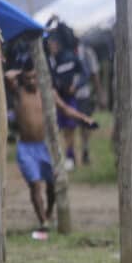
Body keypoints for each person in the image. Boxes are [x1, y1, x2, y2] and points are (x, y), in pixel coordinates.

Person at [5, 60, 96, 239]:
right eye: (28, 78)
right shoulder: (19, 92)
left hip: (45, 146)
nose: (31, 81)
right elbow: (7, 76)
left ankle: (48, 212)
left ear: (40, 77)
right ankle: (43, 221)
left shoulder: (48, 94)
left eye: (34, 77)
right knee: (35, 184)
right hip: (26, 147)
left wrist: (84, 118)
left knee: (52, 184)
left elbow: (66, 109)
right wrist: (21, 72)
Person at [46, 27, 84, 171]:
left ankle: (70, 156)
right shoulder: (48, 60)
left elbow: (83, 73)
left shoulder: (69, 57)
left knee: (70, 129)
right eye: (49, 44)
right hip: (54, 100)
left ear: (59, 43)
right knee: (57, 129)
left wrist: (76, 85)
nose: (51, 46)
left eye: (53, 43)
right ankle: (60, 157)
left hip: (69, 99)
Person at [74, 40, 103, 166]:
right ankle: (70, 155)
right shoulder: (65, 50)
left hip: (84, 94)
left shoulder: (87, 52)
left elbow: (95, 74)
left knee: (85, 125)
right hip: (69, 95)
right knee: (69, 127)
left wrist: (100, 94)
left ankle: (85, 151)